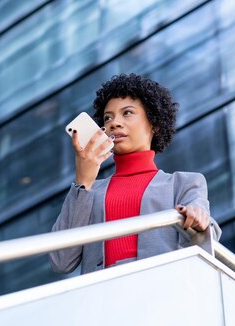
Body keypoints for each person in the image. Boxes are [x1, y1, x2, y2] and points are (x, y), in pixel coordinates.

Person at [49, 73, 221, 274]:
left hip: (160, 296)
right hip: (102, 300)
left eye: (127, 113)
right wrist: (84, 181)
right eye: (108, 117)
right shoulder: (89, 192)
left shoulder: (184, 183)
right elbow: (61, 261)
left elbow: (206, 230)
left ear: (154, 124)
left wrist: (197, 217)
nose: (115, 123)